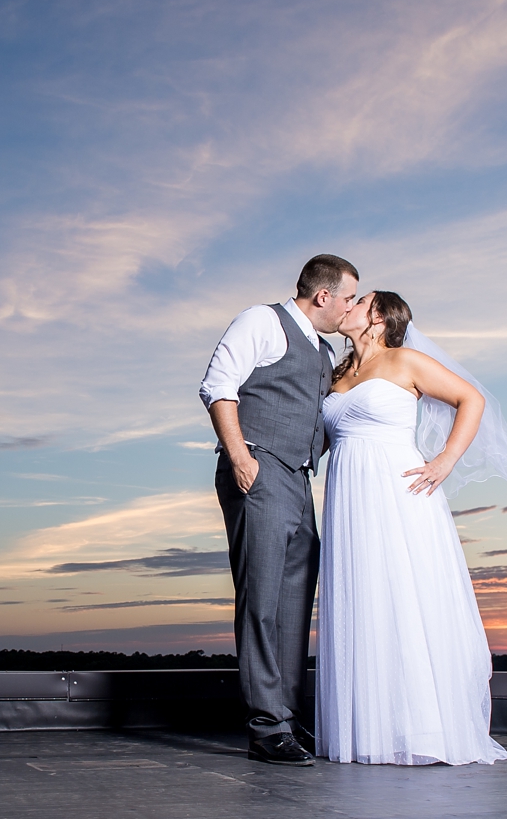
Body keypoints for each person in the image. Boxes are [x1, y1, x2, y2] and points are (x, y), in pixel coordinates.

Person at [317, 290, 507, 766]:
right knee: (365, 599)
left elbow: (471, 399)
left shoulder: (406, 361)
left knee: (405, 595)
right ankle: (370, 729)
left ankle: (421, 728)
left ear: (377, 316)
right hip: (348, 498)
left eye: (358, 301)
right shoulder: (338, 373)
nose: (348, 306)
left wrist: (444, 461)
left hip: (400, 492)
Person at [199, 254, 359, 766]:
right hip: (260, 467)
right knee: (262, 601)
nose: (351, 306)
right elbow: (217, 385)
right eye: (349, 297)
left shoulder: (323, 348)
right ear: (323, 296)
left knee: (293, 607)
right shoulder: (261, 321)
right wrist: (241, 457)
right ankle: (267, 727)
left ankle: (288, 717)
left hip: (298, 479)